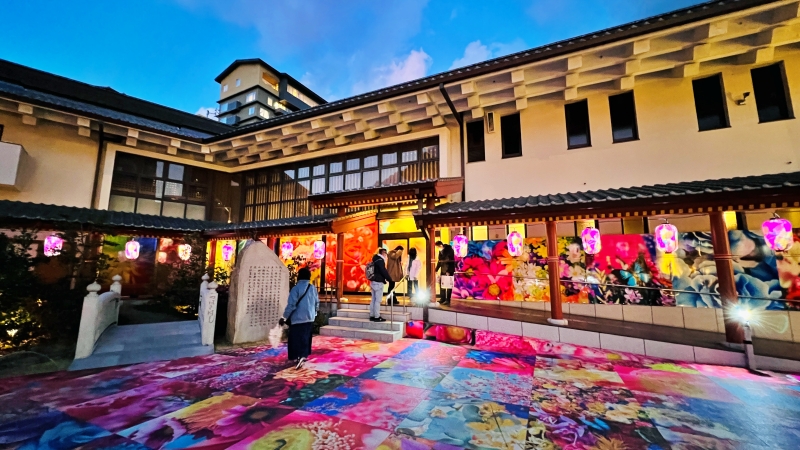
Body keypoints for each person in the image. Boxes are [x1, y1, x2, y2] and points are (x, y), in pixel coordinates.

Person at [279, 268, 319, 369]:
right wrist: (314, 314)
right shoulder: (312, 288)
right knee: (306, 337)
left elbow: (291, 305)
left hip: (298, 318)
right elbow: (317, 302)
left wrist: (284, 317)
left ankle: (298, 356)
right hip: (309, 318)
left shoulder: (296, 289)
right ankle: (303, 355)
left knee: (295, 338)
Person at [369, 249, 392, 322]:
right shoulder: (380, 260)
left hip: (373, 282)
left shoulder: (375, 259)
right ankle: (377, 316)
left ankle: (372, 315)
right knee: (378, 300)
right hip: (378, 282)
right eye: (386, 253)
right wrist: (389, 279)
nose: (386, 255)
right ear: (383, 253)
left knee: (373, 299)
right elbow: (383, 270)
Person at [434, 240, 455, 306]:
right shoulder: (441, 252)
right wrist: (436, 269)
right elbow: (439, 261)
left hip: (449, 270)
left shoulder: (449, 250)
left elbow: (451, 260)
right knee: (441, 284)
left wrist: (448, 271)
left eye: (438, 247)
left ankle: (447, 300)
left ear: (440, 245)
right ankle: (442, 298)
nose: (438, 249)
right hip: (443, 270)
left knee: (448, 285)